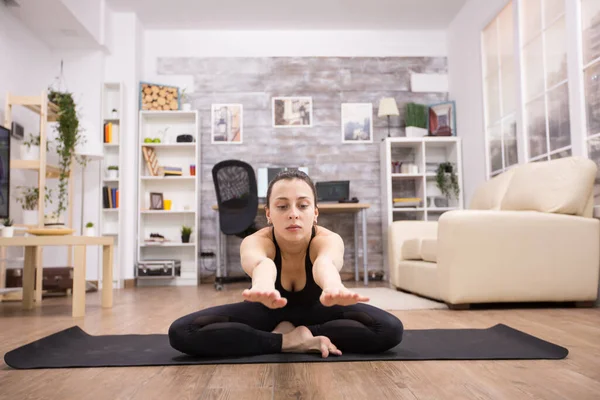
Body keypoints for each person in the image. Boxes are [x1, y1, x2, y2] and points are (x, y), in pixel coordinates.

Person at [168, 170, 404, 358]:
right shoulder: (256, 241)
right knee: (182, 331)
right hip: (266, 312)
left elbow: (325, 262)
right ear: (268, 213)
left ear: (315, 212)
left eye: (302, 205)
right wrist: (263, 286)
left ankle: (305, 334)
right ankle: (287, 342)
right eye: (282, 206)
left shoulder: (328, 239)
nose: (293, 214)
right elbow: (262, 264)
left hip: (318, 311)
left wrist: (333, 286)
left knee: (390, 329)